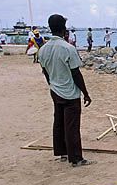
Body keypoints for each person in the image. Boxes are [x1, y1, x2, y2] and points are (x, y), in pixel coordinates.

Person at [38, 14, 94, 167]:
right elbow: (76, 73)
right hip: (70, 92)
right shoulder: (68, 48)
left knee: (59, 122)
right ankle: (76, 158)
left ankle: (62, 152)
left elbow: (45, 72)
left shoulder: (43, 50)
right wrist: (86, 93)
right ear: (64, 29)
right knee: (72, 126)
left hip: (55, 90)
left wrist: (52, 84)